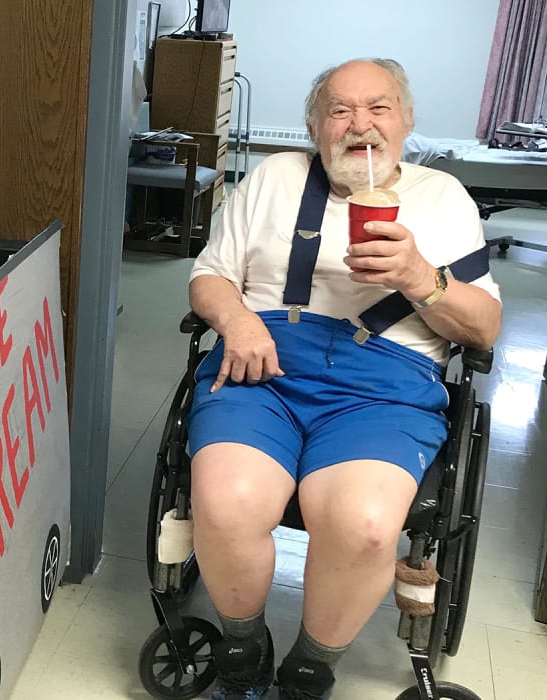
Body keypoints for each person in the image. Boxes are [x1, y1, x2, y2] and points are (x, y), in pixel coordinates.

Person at [187, 58, 502, 700]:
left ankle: (309, 666)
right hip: (264, 363)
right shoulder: (275, 177)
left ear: (406, 121)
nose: (360, 125)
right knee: (225, 501)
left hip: (385, 385)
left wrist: (420, 276)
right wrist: (239, 320)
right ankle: (243, 649)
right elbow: (209, 275)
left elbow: (485, 328)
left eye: (379, 108)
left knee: (363, 525)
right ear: (314, 125)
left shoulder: (443, 199)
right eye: (340, 110)